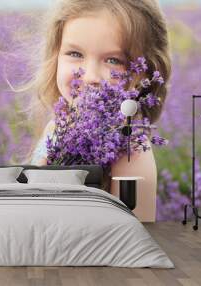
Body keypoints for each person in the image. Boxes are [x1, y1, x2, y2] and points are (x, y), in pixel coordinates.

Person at [25, 0, 171, 222]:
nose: (91, 76)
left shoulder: (131, 152)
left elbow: (132, 243)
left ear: (143, 75)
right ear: (55, 55)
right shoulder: (54, 128)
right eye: (75, 53)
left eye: (113, 60)